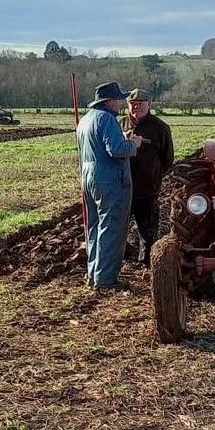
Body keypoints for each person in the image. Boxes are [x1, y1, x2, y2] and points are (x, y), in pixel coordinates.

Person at [76, 82, 144, 290]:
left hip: (89, 177)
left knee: (94, 227)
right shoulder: (107, 119)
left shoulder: (86, 120)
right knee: (112, 228)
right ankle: (106, 279)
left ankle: (93, 274)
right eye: (119, 100)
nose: (121, 104)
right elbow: (115, 149)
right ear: (110, 101)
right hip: (110, 179)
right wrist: (134, 143)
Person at [119, 88, 174, 266]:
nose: (136, 108)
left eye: (140, 104)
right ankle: (120, 259)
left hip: (147, 189)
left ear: (148, 105)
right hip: (122, 188)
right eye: (132, 104)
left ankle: (147, 264)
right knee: (118, 227)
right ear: (127, 105)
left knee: (147, 229)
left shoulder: (160, 128)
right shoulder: (118, 124)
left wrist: (154, 176)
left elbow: (168, 159)